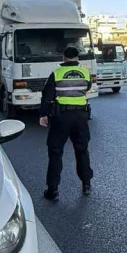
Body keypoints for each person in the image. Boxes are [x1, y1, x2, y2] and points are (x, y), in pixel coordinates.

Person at [39, 45, 95, 201]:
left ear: (63, 57)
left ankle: (53, 190)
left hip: (61, 117)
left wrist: (43, 114)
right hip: (81, 116)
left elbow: (47, 95)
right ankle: (86, 184)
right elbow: (88, 87)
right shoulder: (85, 73)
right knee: (82, 150)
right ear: (77, 58)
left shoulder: (57, 73)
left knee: (55, 151)